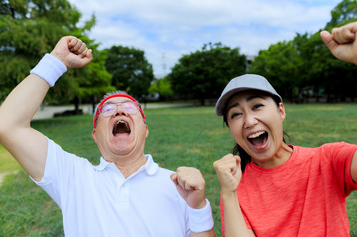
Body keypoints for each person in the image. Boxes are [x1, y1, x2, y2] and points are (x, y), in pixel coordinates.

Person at [0, 36, 215, 237]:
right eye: (108, 109)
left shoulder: (180, 187)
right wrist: (57, 61)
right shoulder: (73, 177)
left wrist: (198, 208)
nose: (120, 111)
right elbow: (8, 124)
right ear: (95, 135)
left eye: (130, 107)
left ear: (146, 129)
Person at [213, 20, 357, 237]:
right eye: (236, 114)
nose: (249, 121)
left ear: (281, 111)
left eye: (257, 106)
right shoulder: (236, 185)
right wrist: (228, 193)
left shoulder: (327, 161)